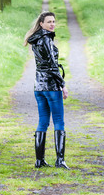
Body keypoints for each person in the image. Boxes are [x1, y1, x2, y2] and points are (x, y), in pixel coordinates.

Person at [24, 11, 69, 169]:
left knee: (43, 122)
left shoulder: (35, 40)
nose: (52, 24)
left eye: (54, 22)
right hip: (51, 87)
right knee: (58, 121)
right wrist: (63, 84)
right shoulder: (46, 39)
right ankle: (60, 160)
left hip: (39, 87)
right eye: (49, 21)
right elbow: (51, 65)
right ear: (41, 24)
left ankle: (39, 160)